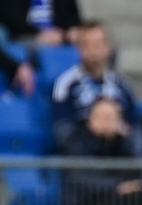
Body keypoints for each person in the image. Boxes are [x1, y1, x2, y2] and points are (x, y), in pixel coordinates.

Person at [52, 20, 137, 148]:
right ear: (79, 49)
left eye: (99, 43)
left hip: (118, 153)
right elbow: (62, 129)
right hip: (82, 156)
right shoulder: (65, 84)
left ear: (108, 47)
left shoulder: (123, 85)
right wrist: (93, 130)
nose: (94, 50)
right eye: (88, 44)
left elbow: (134, 126)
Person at [0, 0, 81, 45]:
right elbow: (10, 19)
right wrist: (39, 34)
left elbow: (73, 19)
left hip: (59, 38)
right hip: (23, 37)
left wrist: (70, 31)